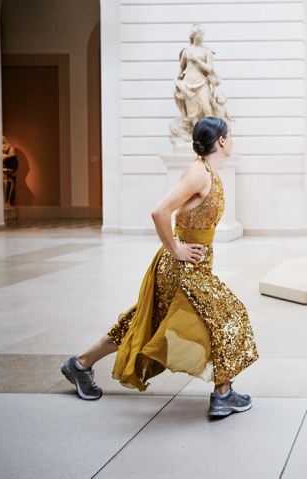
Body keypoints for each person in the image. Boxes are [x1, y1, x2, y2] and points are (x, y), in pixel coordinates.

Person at [60, 117, 258, 419]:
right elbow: (159, 211)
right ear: (220, 141)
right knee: (229, 317)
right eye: (231, 135)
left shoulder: (207, 172)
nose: (233, 140)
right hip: (183, 268)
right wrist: (175, 248)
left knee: (143, 320)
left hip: (192, 267)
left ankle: (80, 364)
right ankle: (223, 394)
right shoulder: (198, 174)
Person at [171, 24, 221, 144]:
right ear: (194, 35)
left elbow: (209, 69)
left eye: (203, 35)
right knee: (192, 111)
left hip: (202, 81)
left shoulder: (206, 51)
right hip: (188, 82)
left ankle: (211, 135)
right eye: (200, 35)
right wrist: (176, 80)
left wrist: (196, 59)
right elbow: (182, 67)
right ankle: (198, 136)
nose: (202, 37)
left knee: (206, 107)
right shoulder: (186, 51)